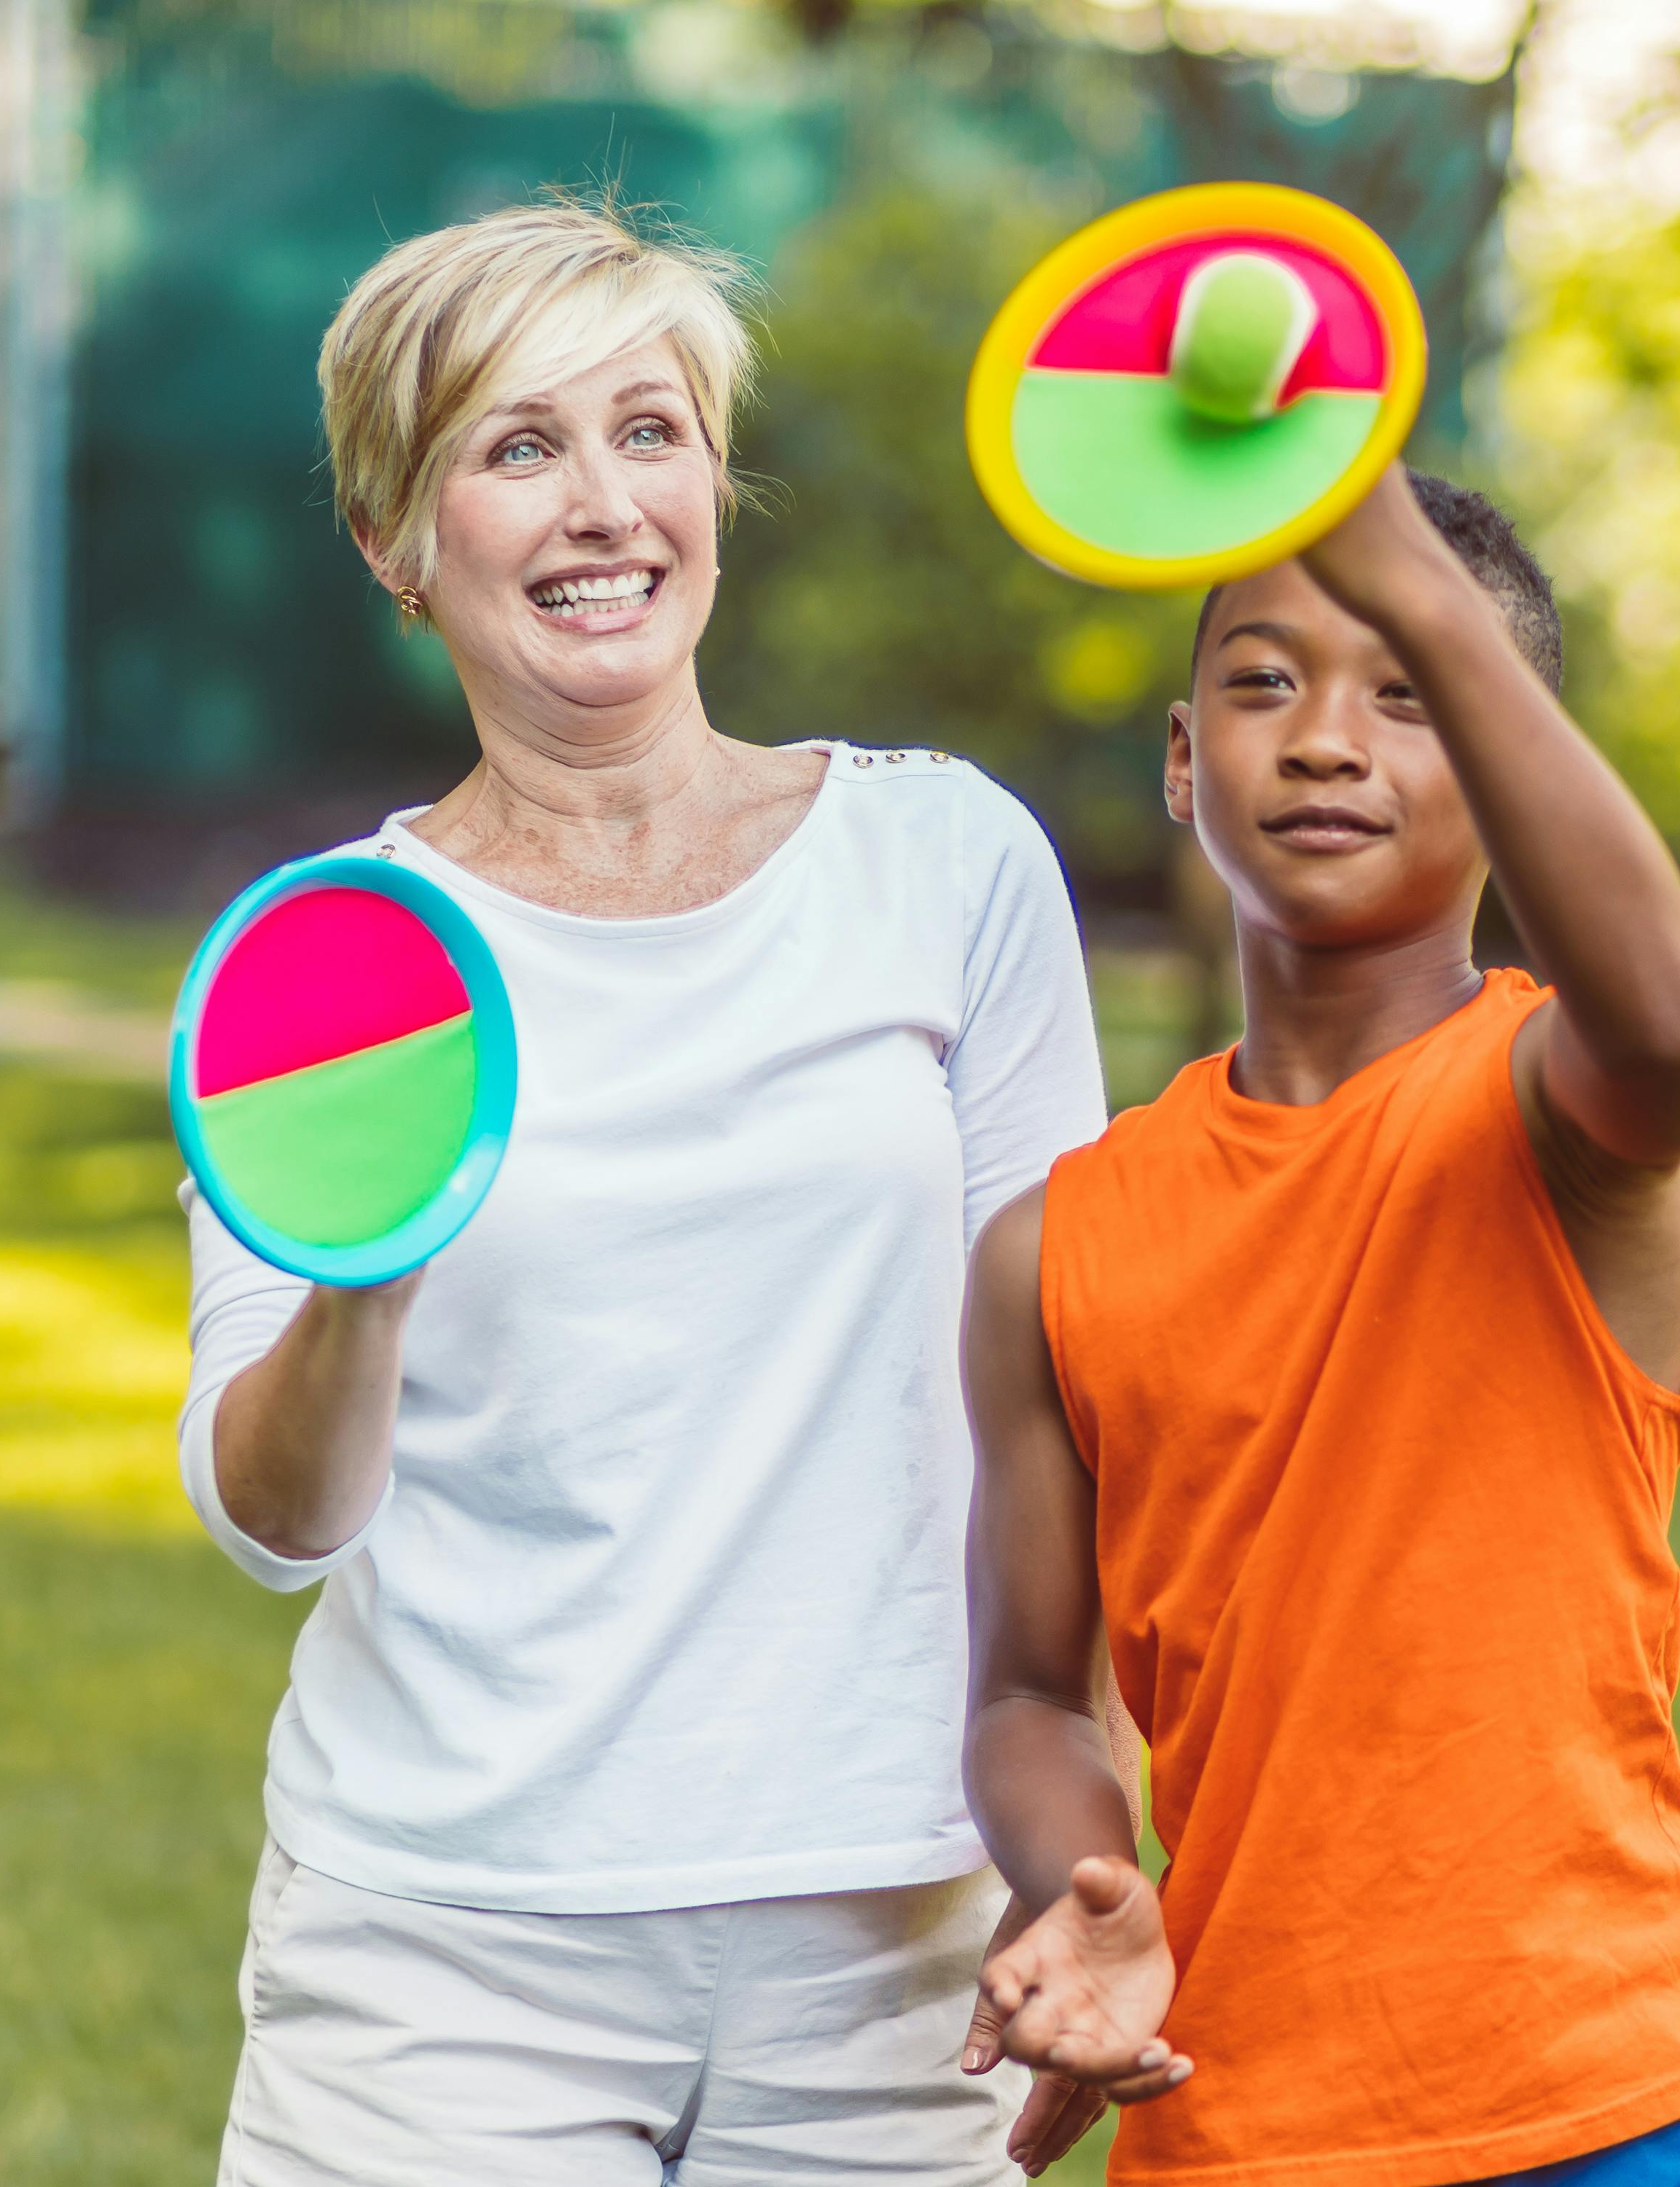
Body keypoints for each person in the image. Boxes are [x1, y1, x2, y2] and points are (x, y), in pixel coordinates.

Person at [179, 200, 1120, 2185]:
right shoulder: (339, 959)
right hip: (442, 1960)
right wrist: (365, 1270)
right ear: (396, 542)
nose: (602, 504)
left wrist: (1089, 1858)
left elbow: (1084, 1395)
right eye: (515, 449)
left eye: (648, 431)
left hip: (894, 1941)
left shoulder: (943, 866)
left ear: (713, 478)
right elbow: (273, 1524)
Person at [960, 466, 1680, 2186]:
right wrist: (1083, 1882)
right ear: (1183, 760)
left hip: (1600, 2107)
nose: (1327, 739)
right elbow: (1030, 1698)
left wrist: (1418, 580)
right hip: (1229, 2125)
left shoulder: (1559, 1121)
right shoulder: (1056, 1242)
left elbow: (1672, 1023)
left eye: (1410, 691)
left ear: (1507, 762)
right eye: (1266, 685)